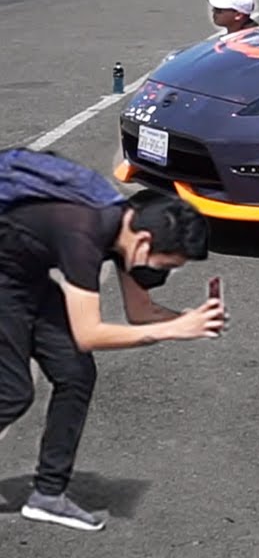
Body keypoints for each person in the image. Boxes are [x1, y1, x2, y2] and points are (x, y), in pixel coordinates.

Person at [0, 151, 225, 532]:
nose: (165, 274)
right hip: (5, 281)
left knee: (75, 374)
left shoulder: (129, 228)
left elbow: (140, 313)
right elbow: (89, 334)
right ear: (145, 243)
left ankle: (48, 495)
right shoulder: (82, 234)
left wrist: (191, 320)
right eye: (168, 265)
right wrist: (175, 330)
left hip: (27, 276)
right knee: (12, 392)